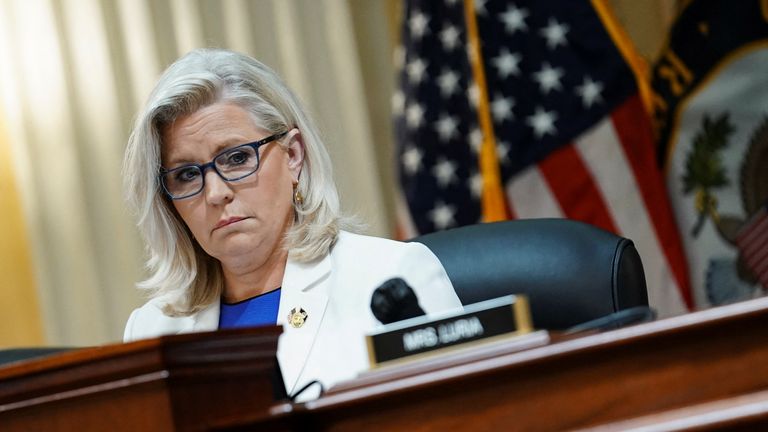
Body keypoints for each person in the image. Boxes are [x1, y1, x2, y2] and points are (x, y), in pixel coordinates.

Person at [121, 48, 462, 400]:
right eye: (187, 175)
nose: (216, 192)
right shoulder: (152, 330)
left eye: (237, 158)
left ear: (294, 156)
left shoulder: (393, 277)